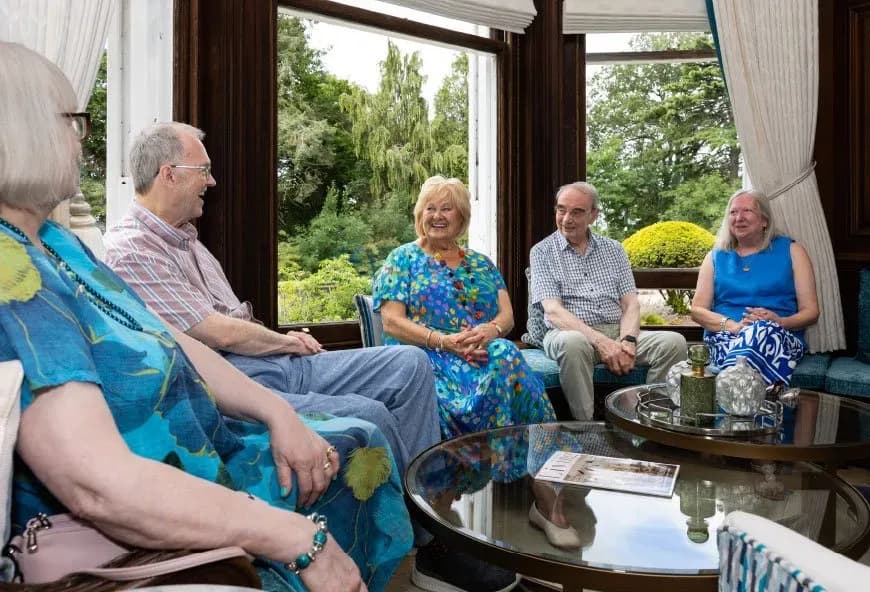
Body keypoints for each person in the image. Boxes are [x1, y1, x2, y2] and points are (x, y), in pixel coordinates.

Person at [0, 41, 405, 592]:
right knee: (361, 436)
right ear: (22, 131)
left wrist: (276, 413)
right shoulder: (11, 272)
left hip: (212, 440)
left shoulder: (57, 243)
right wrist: (298, 540)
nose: (82, 138)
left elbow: (164, 333)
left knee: (360, 431)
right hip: (152, 502)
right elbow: (96, 486)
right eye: (75, 121)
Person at [102, 121, 439, 480]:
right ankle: (418, 527)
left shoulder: (188, 242)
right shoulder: (131, 251)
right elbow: (220, 334)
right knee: (369, 414)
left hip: (271, 363)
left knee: (410, 364)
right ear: (168, 175)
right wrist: (289, 341)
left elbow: (238, 325)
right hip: (233, 382)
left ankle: (430, 501)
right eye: (204, 171)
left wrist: (283, 346)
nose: (211, 182)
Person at [373, 176, 556, 440]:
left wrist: (490, 331)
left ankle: (534, 450)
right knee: (500, 361)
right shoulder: (402, 258)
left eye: (446, 209)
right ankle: (483, 457)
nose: (437, 216)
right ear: (420, 214)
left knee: (504, 350)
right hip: (425, 357)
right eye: (430, 208)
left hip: (478, 350)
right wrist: (445, 342)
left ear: (461, 217)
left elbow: (507, 316)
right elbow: (391, 322)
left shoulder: (481, 263)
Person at [529, 182, 687, 420]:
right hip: (568, 332)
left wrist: (628, 340)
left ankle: (649, 421)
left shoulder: (614, 249)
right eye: (561, 210)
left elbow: (631, 304)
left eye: (577, 212)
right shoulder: (542, 252)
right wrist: (602, 342)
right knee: (573, 343)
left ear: (593, 215)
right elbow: (553, 312)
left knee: (673, 342)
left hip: (616, 331)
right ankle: (586, 427)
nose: (566, 219)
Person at [690, 189, 819, 385]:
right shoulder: (715, 257)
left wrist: (779, 322)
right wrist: (733, 327)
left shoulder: (793, 251)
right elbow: (697, 311)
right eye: (733, 212)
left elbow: (811, 312)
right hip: (726, 338)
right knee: (743, 344)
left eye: (747, 211)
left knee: (761, 330)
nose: (739, 218)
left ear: (764, 220)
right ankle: (743, 392)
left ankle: (726, 387)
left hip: (777, 338)